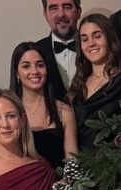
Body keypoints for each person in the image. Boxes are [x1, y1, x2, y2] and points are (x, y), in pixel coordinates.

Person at [67, 13, 121, 149]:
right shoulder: (78, 83)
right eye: (84, 39)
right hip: (79, 160)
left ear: (109, 39)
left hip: (117, 161)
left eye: (97, 36)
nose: (91, 43)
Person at [9, 40, 78, 168]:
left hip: (58, 180)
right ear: (17, 73)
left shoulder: (64, 112)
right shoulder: (7, 112)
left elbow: (73, 164)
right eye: (26, 66)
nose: (34, 71)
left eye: (40, 65)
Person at [33, 0, 82, 105]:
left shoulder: (95, 49)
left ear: (79, 12)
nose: (61, 14)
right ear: (45, 14)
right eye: (54, 8)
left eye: (67, 7)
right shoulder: (34, 52)